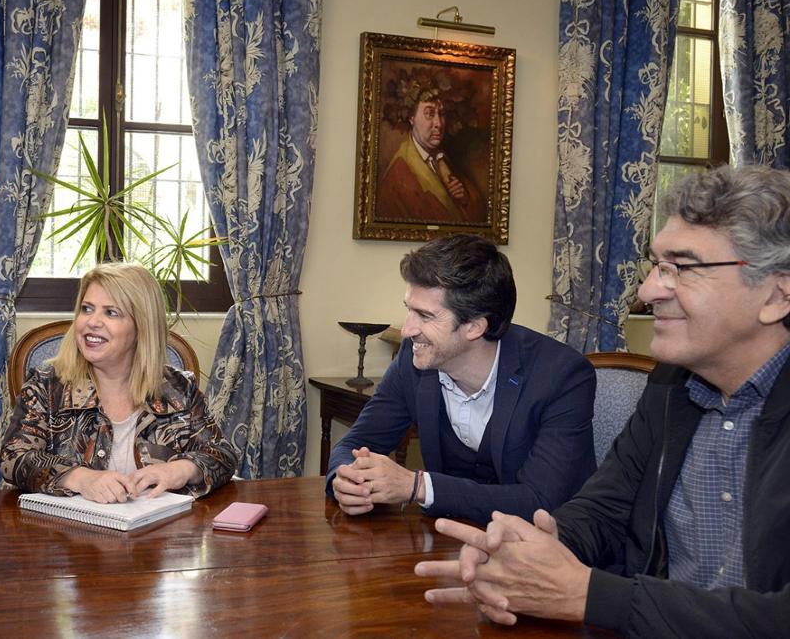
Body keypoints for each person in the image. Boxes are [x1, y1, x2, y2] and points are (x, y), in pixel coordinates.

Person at [416, 166, 790, 637]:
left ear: (776, 294)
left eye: (682, 269)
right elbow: (606, 507)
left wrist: (587, 595)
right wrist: (533, 546)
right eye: (656, 266)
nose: (648, 290)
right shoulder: (672, 386)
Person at [326, 234, 597, 523]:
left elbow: (539, 502)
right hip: (447, 544)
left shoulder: (562, 376)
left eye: (425, 316)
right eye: (409, 310)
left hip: (547, 552)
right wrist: (346, 480)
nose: (406, 330)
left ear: (475, 327)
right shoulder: (413, 360)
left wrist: (418, 486)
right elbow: (354, 444)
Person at [0, 262, 236, 502]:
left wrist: (181, 469)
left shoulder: (178, 390)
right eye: (87, 308)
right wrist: (81, 478)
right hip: (66, 534)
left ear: (142, 327)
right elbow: (12, 456)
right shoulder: (47, 385)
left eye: (111, 312)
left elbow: (223, 454)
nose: (92, 321)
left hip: (156, 533)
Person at [375, 85, 486, 224]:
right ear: (412, 118)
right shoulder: (398, 175)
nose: (438, 124)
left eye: (442, 114)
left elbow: (480, 216)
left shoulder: (444, 160)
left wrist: (463, 199)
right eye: (429, 114)